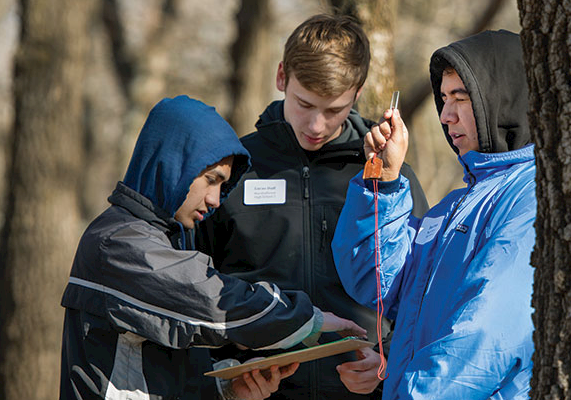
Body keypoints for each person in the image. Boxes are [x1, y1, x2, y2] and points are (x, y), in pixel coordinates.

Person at [59, 95, 366, 400]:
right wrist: (311, 319)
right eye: (211, 180)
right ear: (174, 164)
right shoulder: (117, 244)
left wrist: (227, 390)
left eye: (222, 186)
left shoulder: (164, 240)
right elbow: (215, 302)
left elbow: (154, 372)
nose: (216, 200)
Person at [196, 14, 428, 400]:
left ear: (357, 93)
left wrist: (388, 363)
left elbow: (422, 293)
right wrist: (226, 377)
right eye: (304, 104)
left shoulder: (386, 175)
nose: (317, 125)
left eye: (333, 110)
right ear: (282, 77)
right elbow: (195, 288)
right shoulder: (232, 167)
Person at [331, 30, 536, 399]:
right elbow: (375, 281)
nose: (445, 115)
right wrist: (385, 180)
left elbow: (486, 338)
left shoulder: (531, 194)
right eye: (443, 99)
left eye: (460, 98)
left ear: (502, 98)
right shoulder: (455, 205)